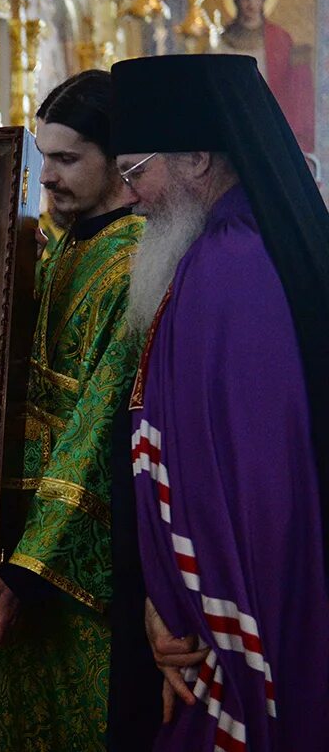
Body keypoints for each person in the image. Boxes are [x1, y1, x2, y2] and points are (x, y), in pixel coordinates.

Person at [112, 53, 329, 751]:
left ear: (198, 157)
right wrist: (160, 602)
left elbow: (258, 490)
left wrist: (195, 613)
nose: (131, 197)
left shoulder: (228, 269)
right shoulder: (227, 252)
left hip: (234, 637)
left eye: (134, 171)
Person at [0, 70, 149, 751]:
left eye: (68, 159)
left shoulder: (135, 266)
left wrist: (30, 566)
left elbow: (95, 426)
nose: (47, 176)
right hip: (16, 543)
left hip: (79, 566)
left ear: (117, 159)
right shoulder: (55, 254)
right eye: (43, 157)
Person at [218, 0, 315, 152]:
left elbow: (290, 84)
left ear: (264, 1)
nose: (251, 3)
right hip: (231, 110)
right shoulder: (222, 38)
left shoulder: (279, 36)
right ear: (237, 1)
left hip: (267, 111)